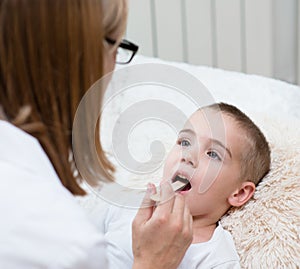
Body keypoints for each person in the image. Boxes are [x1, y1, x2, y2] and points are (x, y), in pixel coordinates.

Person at [0, 0, 192, 268]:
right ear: (82, 58)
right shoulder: (67, 244)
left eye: (214, 153)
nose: (190, 157)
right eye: (116, 45)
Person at [90, 102, 271, 268]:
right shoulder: (126, 204)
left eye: (213, 154)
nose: (188, 156)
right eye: (185, 142)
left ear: (239, 193)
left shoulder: (216, 259)